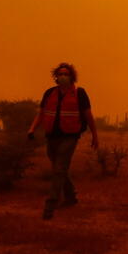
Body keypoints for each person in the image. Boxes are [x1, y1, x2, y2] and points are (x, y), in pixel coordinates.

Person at [27, 63, 99, 220]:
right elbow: (41, 113)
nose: (62, 76)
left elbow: (88, 115)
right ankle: (71, 197)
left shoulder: (79, 93)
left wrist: (95, 135)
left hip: (70, 136)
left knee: (59, 169)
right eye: (60, 74)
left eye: (65, 74)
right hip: (52, 136)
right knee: (59, 168)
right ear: (56, 77)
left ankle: (49, 206)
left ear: (71, 76)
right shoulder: (49, 93)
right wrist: (32, 129)